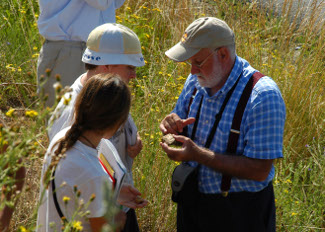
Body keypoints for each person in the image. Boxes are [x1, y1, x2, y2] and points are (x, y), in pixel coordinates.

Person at [159, 17, 286, 232]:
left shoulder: (263, 96)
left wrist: (197, 154)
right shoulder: (196, 80)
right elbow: (177, 120)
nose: (192, 71)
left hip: (240, 213)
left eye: (197, 62)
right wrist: (170, 125)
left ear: (223, 54)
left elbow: (260, 170)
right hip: (193, 204)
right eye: (190, 62)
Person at [47, 23, 145, 231]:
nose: (134, 75)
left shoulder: (105, 93)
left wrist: (133, 141)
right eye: (130, 67)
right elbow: (69, 177)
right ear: (107, 66)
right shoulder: (70, 110)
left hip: (114, 202)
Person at [37, 74, 148, 232]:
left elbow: (76, 185)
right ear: (117, 123)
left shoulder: (62, 138)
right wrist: (118, 219)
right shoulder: (94, 174)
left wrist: (112, 193)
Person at [37, 0, 125, 106]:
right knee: (61, 116)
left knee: (99, 115)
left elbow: (114, 3)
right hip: (69, 52)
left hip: (96, 50)